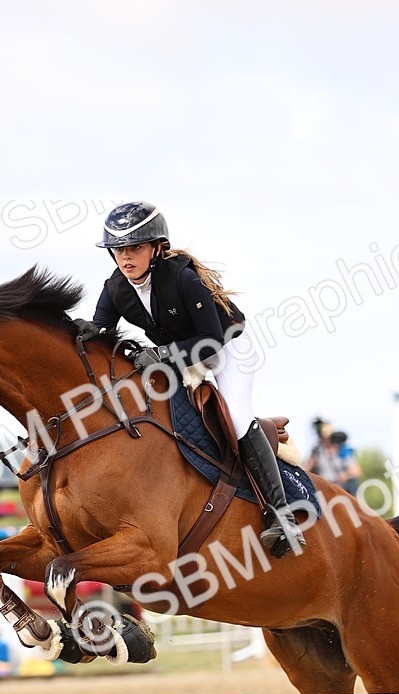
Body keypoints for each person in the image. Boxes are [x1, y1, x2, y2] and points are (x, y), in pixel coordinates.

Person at [79, 201, 304, 558]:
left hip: (227, 346)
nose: (126, 257)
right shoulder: (116, 287)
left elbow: (211, 340)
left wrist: (163, 355)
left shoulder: (182, 277)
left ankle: (282, 515)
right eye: (119, 249)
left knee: (237, 416)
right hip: (182, 351)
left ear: (156, 248)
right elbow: (102, 332)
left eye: (135, 247)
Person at [329, 430, 362, 495]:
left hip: (347, 488)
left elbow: (357, 472)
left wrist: (345, 476)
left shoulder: (345, 453)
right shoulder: (339, 453)